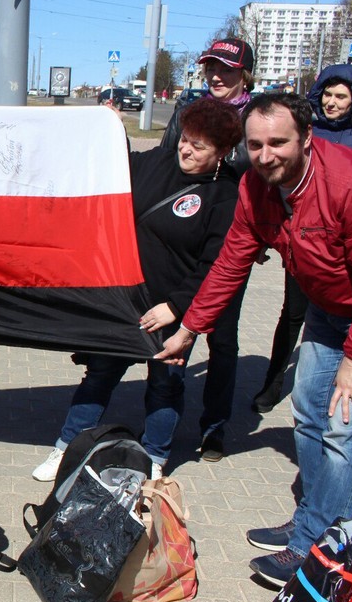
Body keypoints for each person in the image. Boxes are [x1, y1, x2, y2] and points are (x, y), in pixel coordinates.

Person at [157, 93, 352, 588]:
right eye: (256, 145)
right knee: (309, 413)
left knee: (345, 428)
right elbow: (231, 262)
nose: (266, 154)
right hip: (326, 309)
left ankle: (322, 554)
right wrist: (190, 328)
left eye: (278, 142)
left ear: (307, 138)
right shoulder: (257, 186)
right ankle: (313, 520)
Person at [33, 98, 243, 482]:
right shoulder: (157, 163)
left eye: (199, 146)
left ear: (222, 153)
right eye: (185, 138)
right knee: (99, 375)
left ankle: (155, 457)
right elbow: (111, 170)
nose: (186, 149)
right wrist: (110, 128)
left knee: (165, 383)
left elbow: (214, 267)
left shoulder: (225, 196)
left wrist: (176, 308)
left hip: (168, 310)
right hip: (124, 300)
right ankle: (66, 449)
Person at [252, 64, 352, 414]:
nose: (333, 102)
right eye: (327, 94)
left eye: (342, 96)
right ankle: (274, 383)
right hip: (303, 243)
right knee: (292, 317)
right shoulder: (308, 131)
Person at [155, 38, 256, 461]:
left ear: (244, 74)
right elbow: (163, 165)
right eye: (211, 68)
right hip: (185, 241)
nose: (217, 76)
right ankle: (161, 426)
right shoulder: (187, 113)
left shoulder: (258, 119)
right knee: (179, 335)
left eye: (227, 70)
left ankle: (214, 426)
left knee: (222, 338)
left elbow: (270, 182)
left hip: (231, 244)